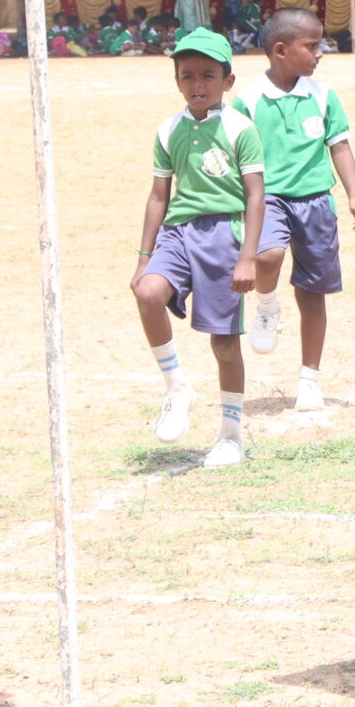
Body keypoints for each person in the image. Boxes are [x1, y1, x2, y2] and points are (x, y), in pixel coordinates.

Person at [132, 28, 265, 468]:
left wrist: (247, 256)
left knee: (224, 345)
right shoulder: (168, 130)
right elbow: (158, 197)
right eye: (187, 75)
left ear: (228, 81)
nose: (197, 84)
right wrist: (143, 258)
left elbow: (256, 196)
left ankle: (230, 435)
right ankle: (176, 386)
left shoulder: (240, 129)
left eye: (208, 75)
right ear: (177, 80)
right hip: (178, 232)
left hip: (224, 237)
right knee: (148, 292)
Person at [233, 7, 355, 412]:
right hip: (268, 198)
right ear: (280, 50)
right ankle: (267, 306)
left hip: (315, 202)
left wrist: (354, 194)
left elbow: (339, 146)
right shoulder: (248, 100)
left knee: (312, 294)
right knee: (268, 255)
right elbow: (238, 159)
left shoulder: (323, 96)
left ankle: (310, 379)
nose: (320, 53)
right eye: (311, 46)